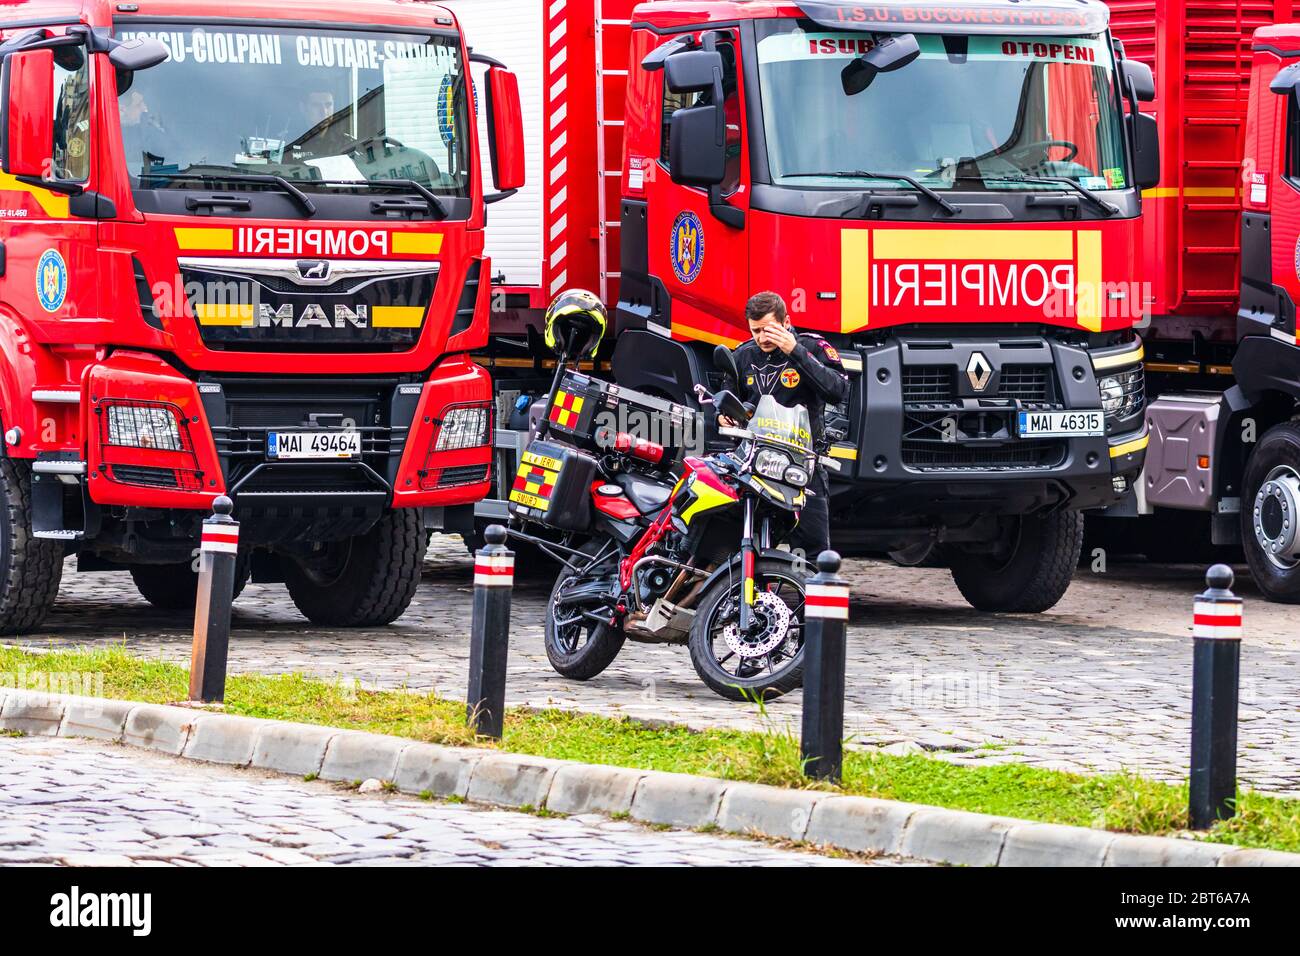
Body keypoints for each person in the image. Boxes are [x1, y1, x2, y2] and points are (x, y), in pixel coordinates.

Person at [721, 291, 849, 557]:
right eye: (755, 330)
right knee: (740, 543)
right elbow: (726, 400)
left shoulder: (812, 347)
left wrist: (795, 351)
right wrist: (723, 416)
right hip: (755, 463)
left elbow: (838, 390)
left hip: (803, 464)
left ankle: (809, 594)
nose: (762, 338)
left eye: (769, 330)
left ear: (786, 322)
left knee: (812, 551)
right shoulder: (743, 355)